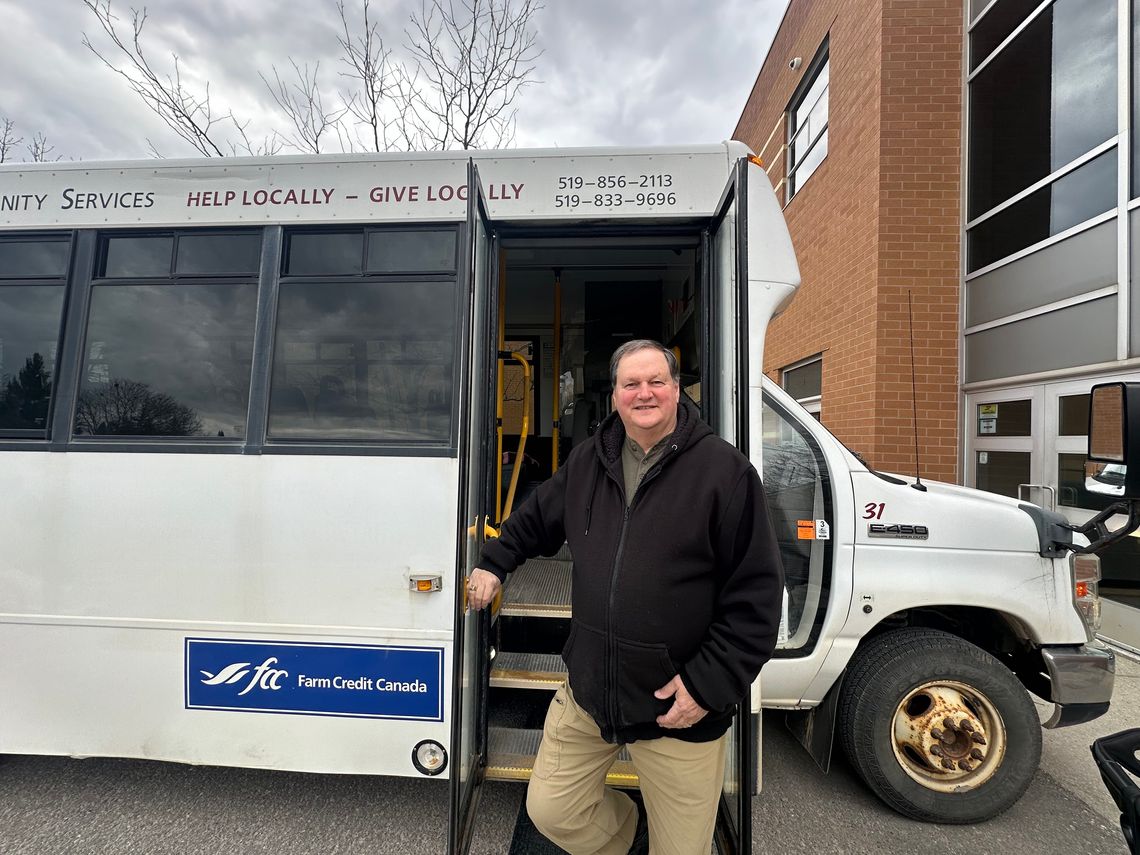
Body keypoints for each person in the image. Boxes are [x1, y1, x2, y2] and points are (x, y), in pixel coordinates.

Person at [468, 339, 784, 855]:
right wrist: (494, 562)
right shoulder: (589, 461)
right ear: (614, 395)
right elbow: (535, 518)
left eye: (656, 381)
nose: (644, 393)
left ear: (677, 390)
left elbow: (757, 599)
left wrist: (705, 687)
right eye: (631, 383)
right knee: (553, 811)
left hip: (678, 707)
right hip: (590, 692)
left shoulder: (725, 474)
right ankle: (632, 838)